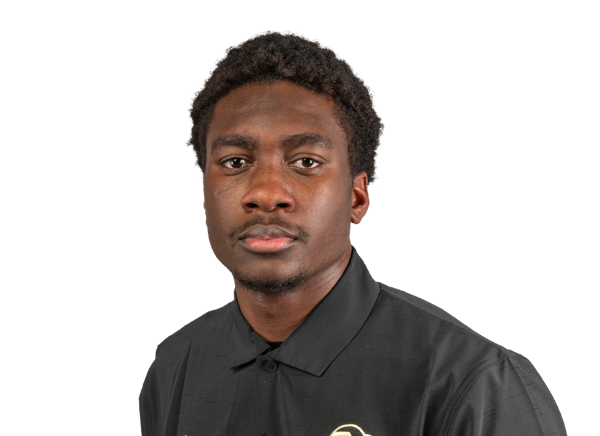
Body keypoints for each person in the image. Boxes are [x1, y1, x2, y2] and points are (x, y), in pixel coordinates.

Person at [139, 30, 567, 436]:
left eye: (306, 162)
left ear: (357, 198)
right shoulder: (175, 366)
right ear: (204, 195)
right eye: (235, 162)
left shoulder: (475, 381)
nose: (266, 194)